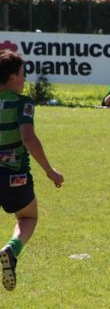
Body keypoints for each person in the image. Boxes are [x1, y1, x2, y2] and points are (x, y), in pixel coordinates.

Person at [0, 50, 64, 291]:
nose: (25, 78)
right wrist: (50, 170)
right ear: (12, 78)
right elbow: (28, 138)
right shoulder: (22, 103)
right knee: (28, 217)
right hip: (15, 176)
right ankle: (11, 249)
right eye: (22, 74)